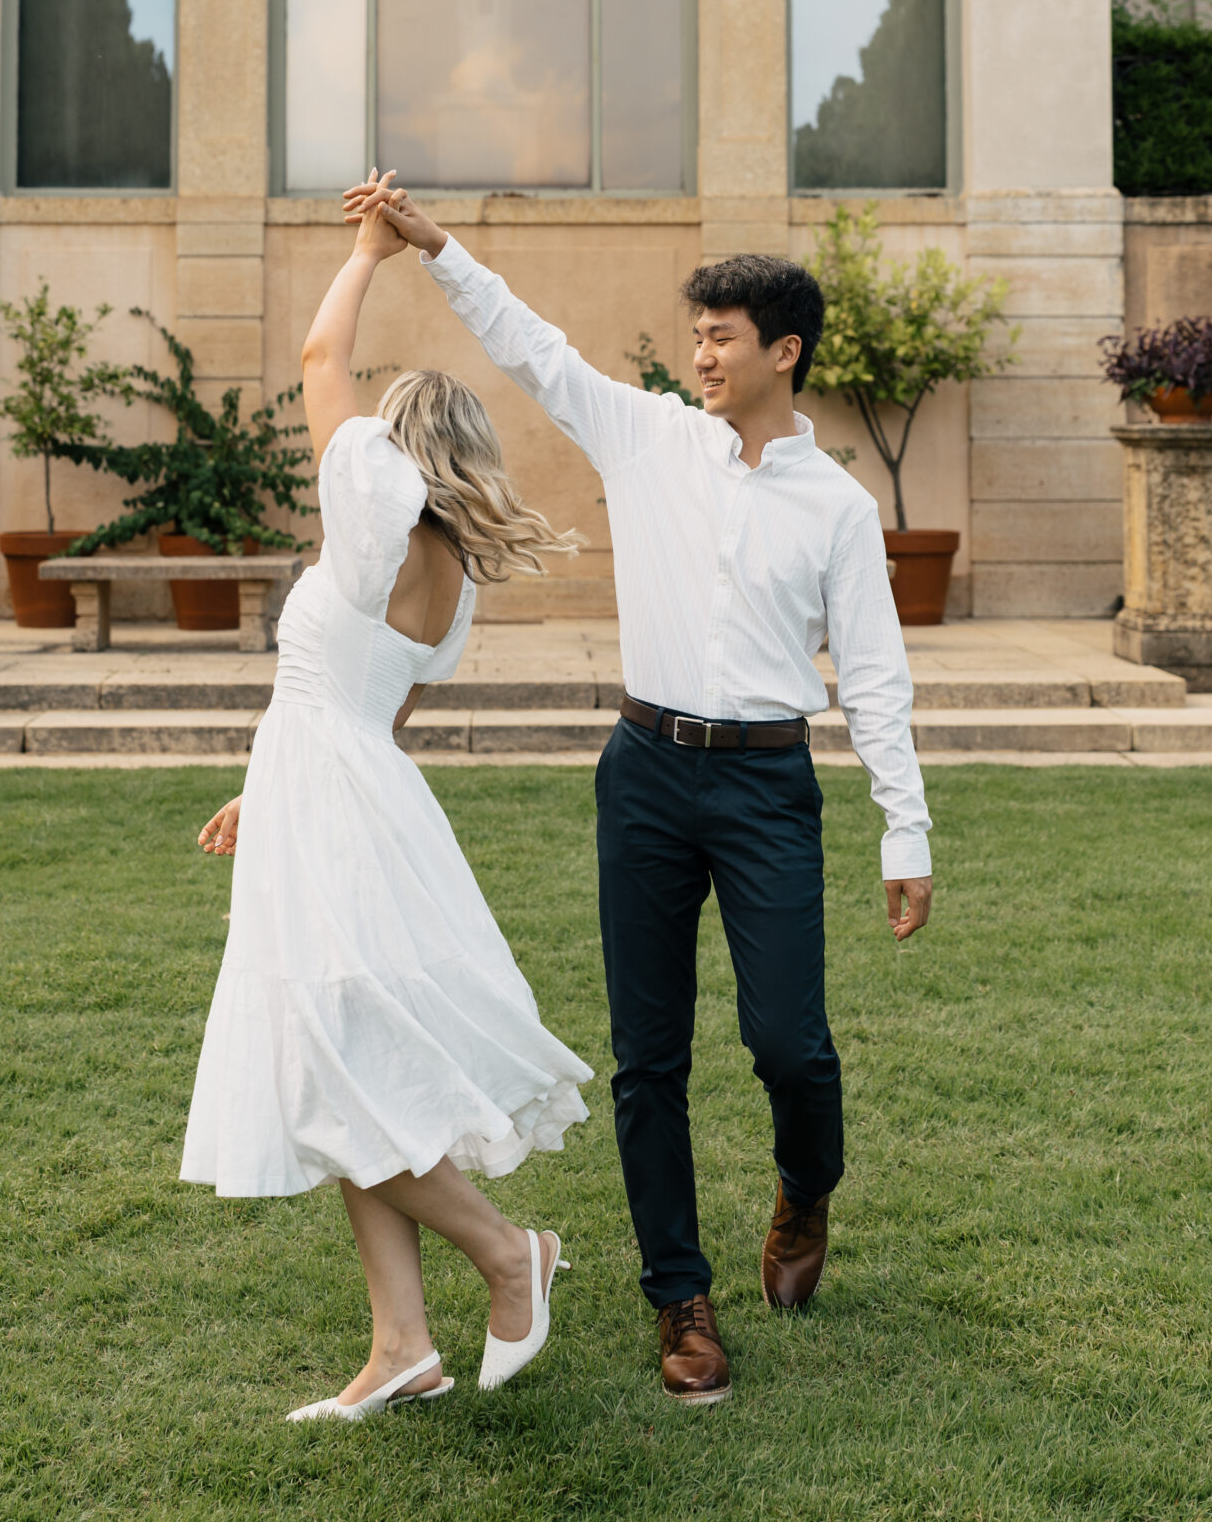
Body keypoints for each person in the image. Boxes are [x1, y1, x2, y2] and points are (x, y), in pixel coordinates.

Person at [347, 171, 933, 1408]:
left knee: (791, 1045)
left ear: (785, 351)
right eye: (698, 334)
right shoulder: (646, 433)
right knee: (645, 1058)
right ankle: (681, 1299)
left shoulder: (839, 507)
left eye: (722, 337)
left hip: (771, 782)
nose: (702, 354)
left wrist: (905, 828)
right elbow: (531, 345)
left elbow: (873, 675)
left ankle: (804, 1187)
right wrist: (436, 245)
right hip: (647, 774)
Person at [181, 184, 592, 1422]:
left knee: (332, 1066)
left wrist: (365, 254)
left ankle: (510, 1251)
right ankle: (399, 1344)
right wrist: (270, 792)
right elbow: (373, 710)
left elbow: (318, 356)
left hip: (336, 801)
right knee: (340, 1068)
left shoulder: (373, 510)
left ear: (401, 447)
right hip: (345, 792)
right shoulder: (452, 579)